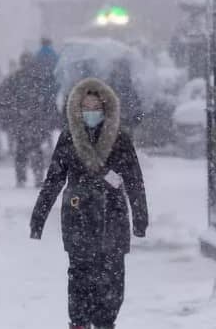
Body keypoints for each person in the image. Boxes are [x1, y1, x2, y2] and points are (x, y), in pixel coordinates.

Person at [30, 77, 149, 329]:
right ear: (77, 109)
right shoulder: (68, 138)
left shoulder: (120, 139)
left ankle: (106, 322)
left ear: (106, 109)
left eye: (96, 108)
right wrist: (38, 218)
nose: (91, 113)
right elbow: (53, 179)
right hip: (78, 217)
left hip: (112, 217)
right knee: (80, 277)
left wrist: (140, 219)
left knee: (112, 279)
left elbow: (135, 181)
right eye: (86, 108)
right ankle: (80, 323)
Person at [2, 52, 55, 186]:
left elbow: (6, 97)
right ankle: (37, 177)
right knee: (35, 149)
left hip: (22, 119)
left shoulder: (16, 78)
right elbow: (46, 99)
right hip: (34, 120)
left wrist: (15, 111)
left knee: (22, 150)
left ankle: (22, 179)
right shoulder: (38, 77)